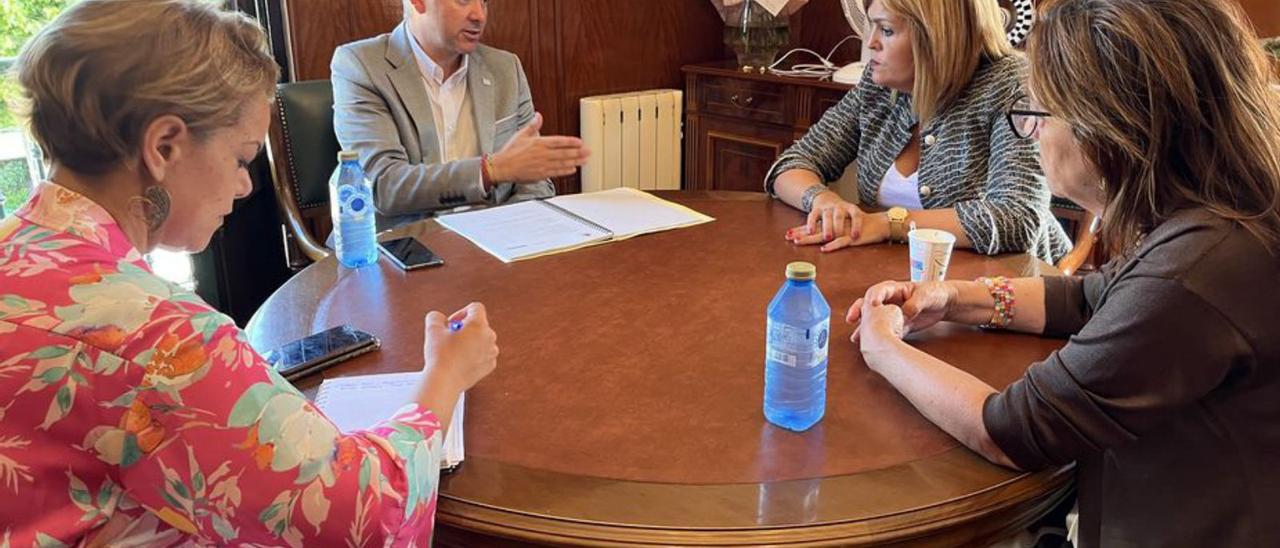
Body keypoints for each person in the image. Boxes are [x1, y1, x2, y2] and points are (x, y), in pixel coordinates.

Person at [0, 1, 498, 544]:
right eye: (240, 158)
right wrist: (444, 378)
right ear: (164, 145)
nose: (243, 186)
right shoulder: (159, 340)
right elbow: (360, 515)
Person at [847, 0, 1280, 545]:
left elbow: (1008, 430)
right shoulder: (1219, 223)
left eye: (1036, 113)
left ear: (1108, 127)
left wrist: (883, 348)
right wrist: (952, 297)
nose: (1029, 133)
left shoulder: (1194, 274)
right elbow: (1091, 298)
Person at [768, 0, 1069, 263]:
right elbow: (792, 164)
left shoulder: (1010, 85)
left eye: (885, 30)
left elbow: (1019, 218)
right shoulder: (878, 85)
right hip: (901, 279)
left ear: (938, 36)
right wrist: (823, 201)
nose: (870, 42)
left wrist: (890, 224)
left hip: (1007, 292)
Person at [332, 0, 590, 230]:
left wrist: (512, 233)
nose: (479, 15)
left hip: (495, 243)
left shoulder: (505, 68)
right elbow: (384, 186)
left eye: (485, 1)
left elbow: (533, 183)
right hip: (404, 247)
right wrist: (491, 170)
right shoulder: (360, 65)